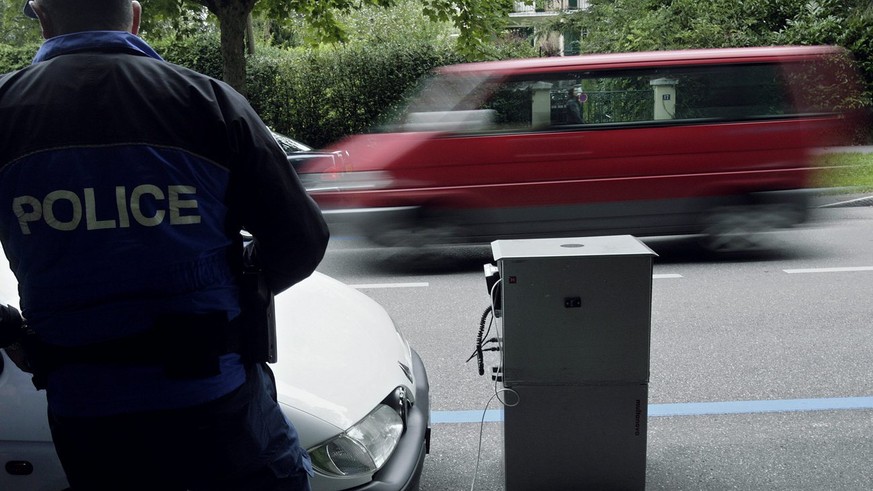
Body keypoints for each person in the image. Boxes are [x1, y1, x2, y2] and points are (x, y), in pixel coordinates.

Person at [0, 0, 330, 489]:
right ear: (134, 16)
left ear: (43, 18)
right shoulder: (207, 102)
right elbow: (302, 239)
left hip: (87, 416)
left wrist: (11, 330)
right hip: (217, 407)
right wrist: (239, 283)